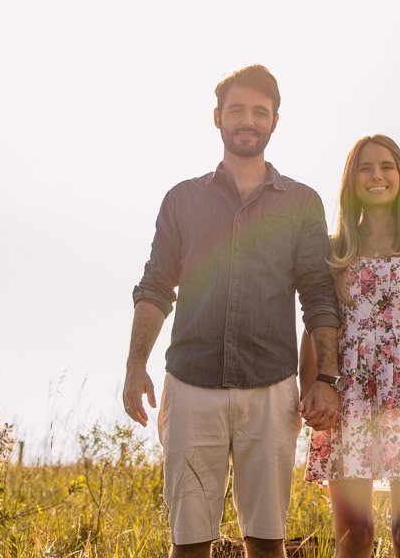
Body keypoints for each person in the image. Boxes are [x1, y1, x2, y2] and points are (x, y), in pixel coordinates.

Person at [122, 65, 343, 558]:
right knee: (190, 543)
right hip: (190, 384)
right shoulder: (182, 199)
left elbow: (318, 295)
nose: (248, 120)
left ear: (275, 122)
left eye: (259, 112)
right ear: (217, 117)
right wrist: (136, 365)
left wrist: (326, 377)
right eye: (238, 110)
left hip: (270, 389)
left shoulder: (302, 203)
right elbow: (156, 286)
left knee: (267, 542)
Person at [299, 134, 400, 558]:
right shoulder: (334, 252)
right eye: (365, 168)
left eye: (386, 166)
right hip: (347, 399)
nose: (376, 176)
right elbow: (316, 328)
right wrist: (309, 392)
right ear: (351, 181)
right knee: (356, 533)